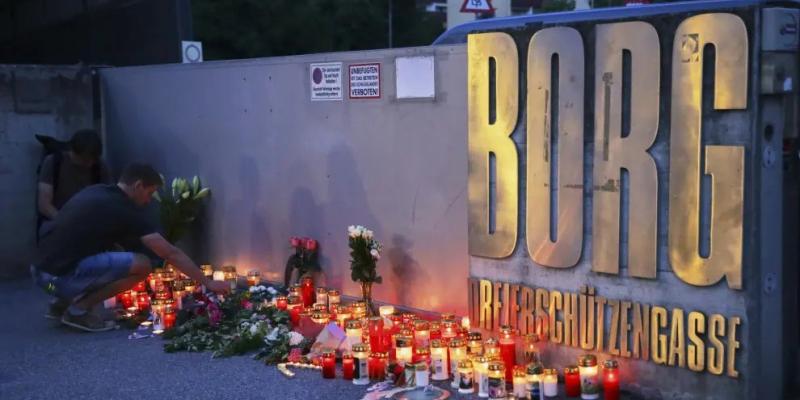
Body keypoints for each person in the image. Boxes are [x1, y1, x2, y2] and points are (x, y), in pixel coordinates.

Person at [34, 163, 229, 332]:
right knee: (142, 265)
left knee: (114, 256)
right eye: (150, 193)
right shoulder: (124, 209)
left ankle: (59, 304)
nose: (148, 200)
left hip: (41, 276)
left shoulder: (97, 192)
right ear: (137, 186)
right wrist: (207, 283)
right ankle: (78, 310)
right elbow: (170, 252)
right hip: (58, 281)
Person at [37, 129, 112, 234]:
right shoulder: (53, 163)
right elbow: (44, 205)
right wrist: (68, 222)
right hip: (57, 222)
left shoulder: (100, 167)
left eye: (92, 160)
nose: (89, 163)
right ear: (72, 151)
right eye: (84, 159)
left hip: (88, 224)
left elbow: (107, 201)